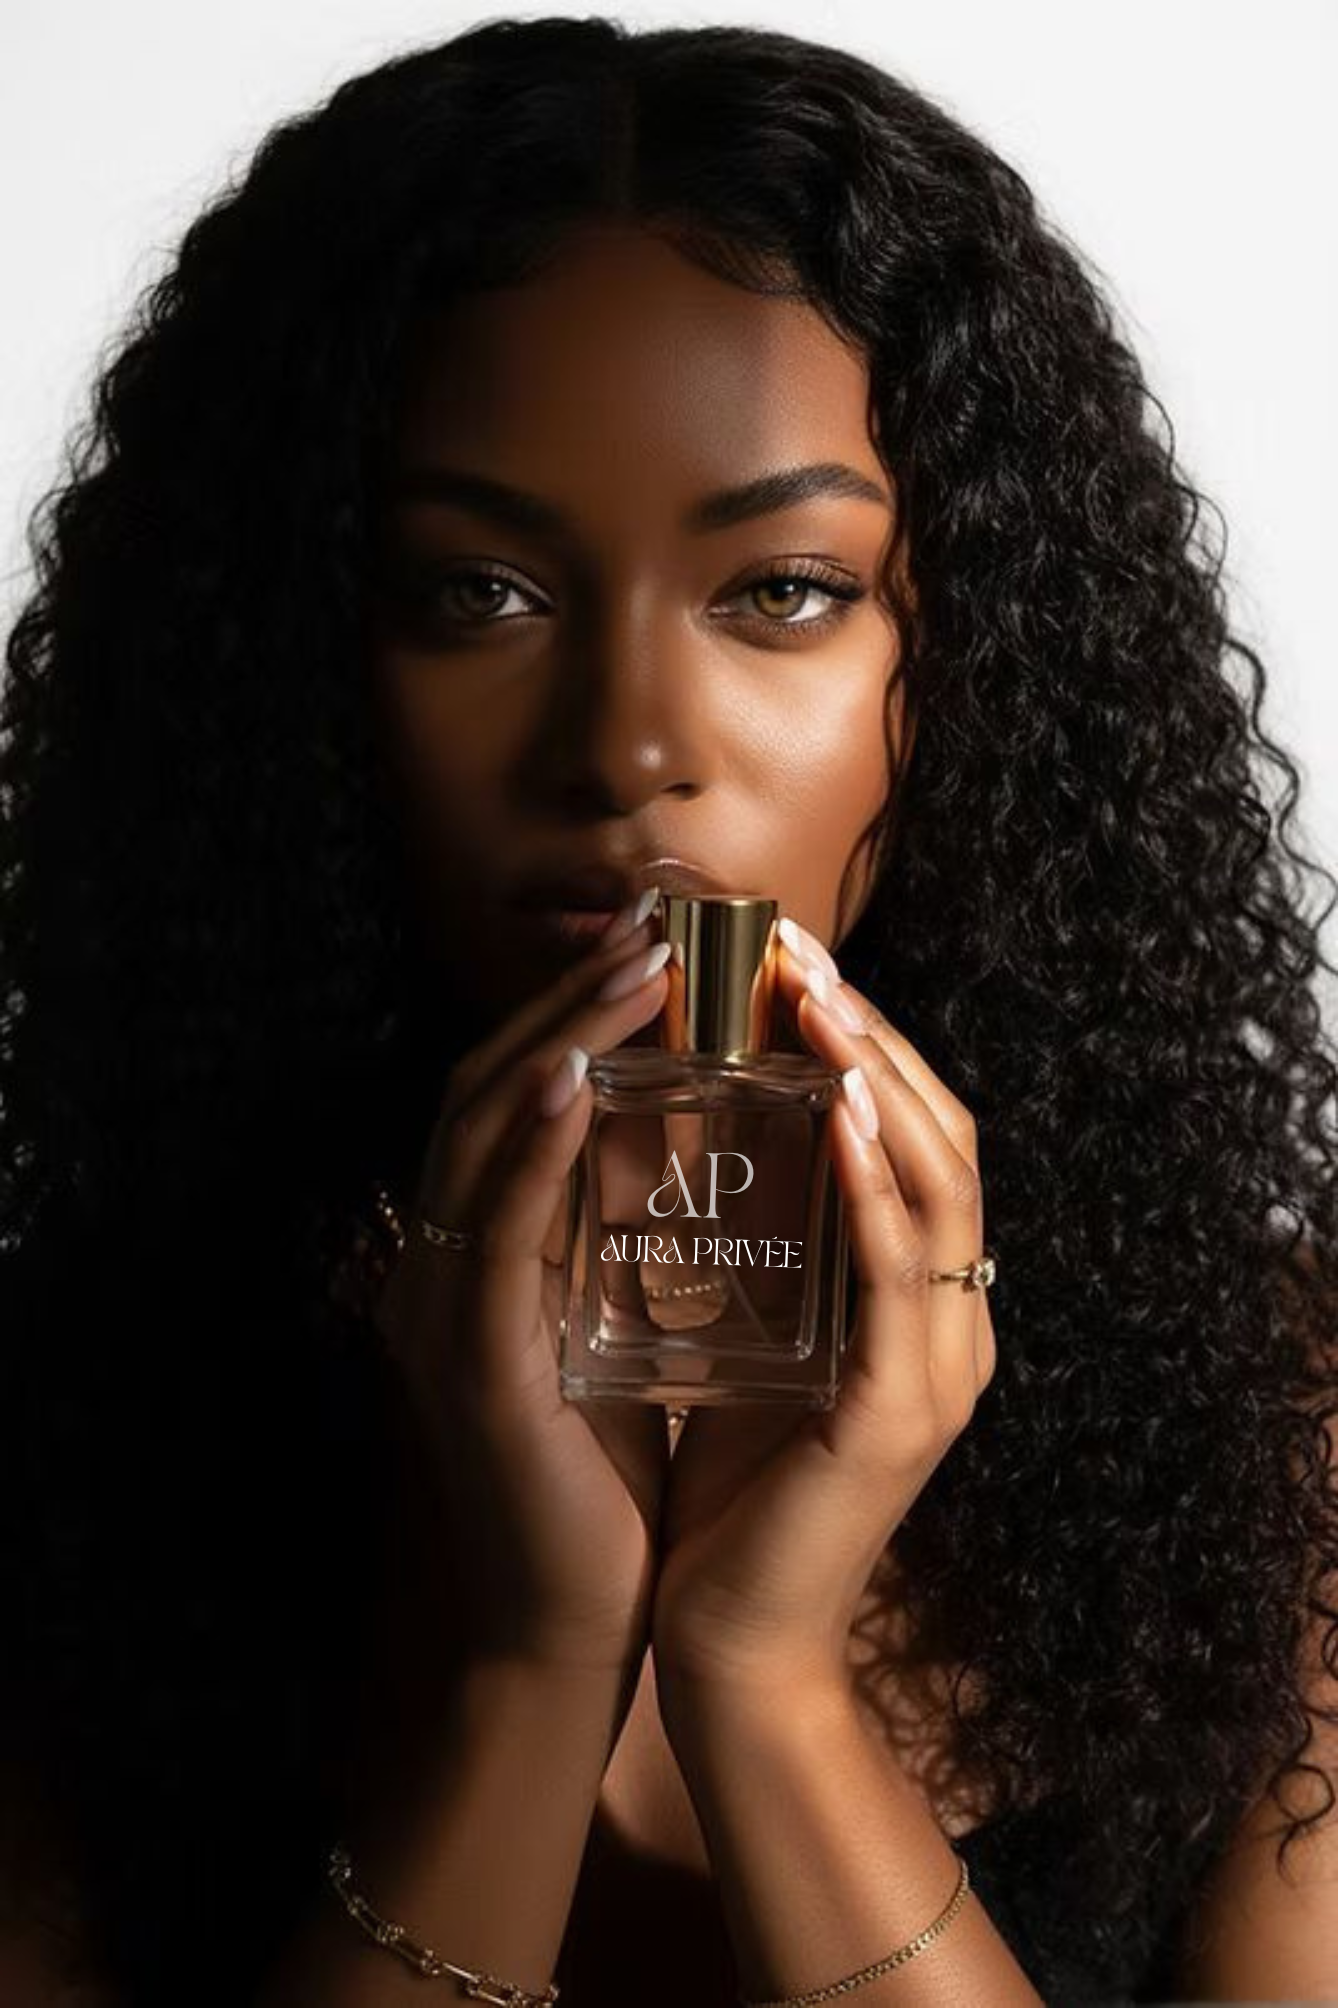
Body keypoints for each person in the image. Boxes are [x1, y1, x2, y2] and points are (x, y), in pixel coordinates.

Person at [1, 15, 1335, 2006]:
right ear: (288, 661)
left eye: (782, 587)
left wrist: (762, 1674)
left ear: (976, 656)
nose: (628, 747)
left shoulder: (1279, 1423)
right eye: (475, 594)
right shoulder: (47, 1434)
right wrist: (538, 1660)